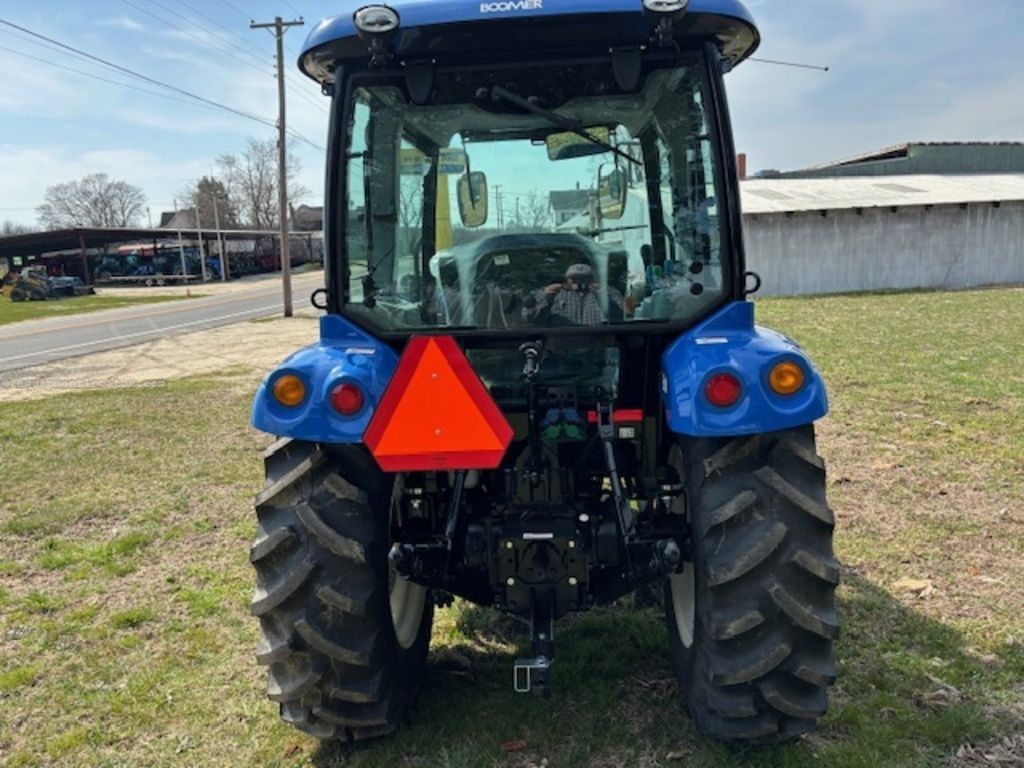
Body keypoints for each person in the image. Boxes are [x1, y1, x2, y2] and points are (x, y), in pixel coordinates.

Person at [524, 263, 619, 326]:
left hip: (597, 347)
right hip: (560, 347)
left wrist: (603, 297)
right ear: (567, 279)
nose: (579, 282)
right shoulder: (554, 293)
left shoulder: (607, 292)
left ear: (592, 279)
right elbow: (529, 318)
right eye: (574, 278)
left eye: (584, 278)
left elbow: (622, 316)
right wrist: (548, 296)